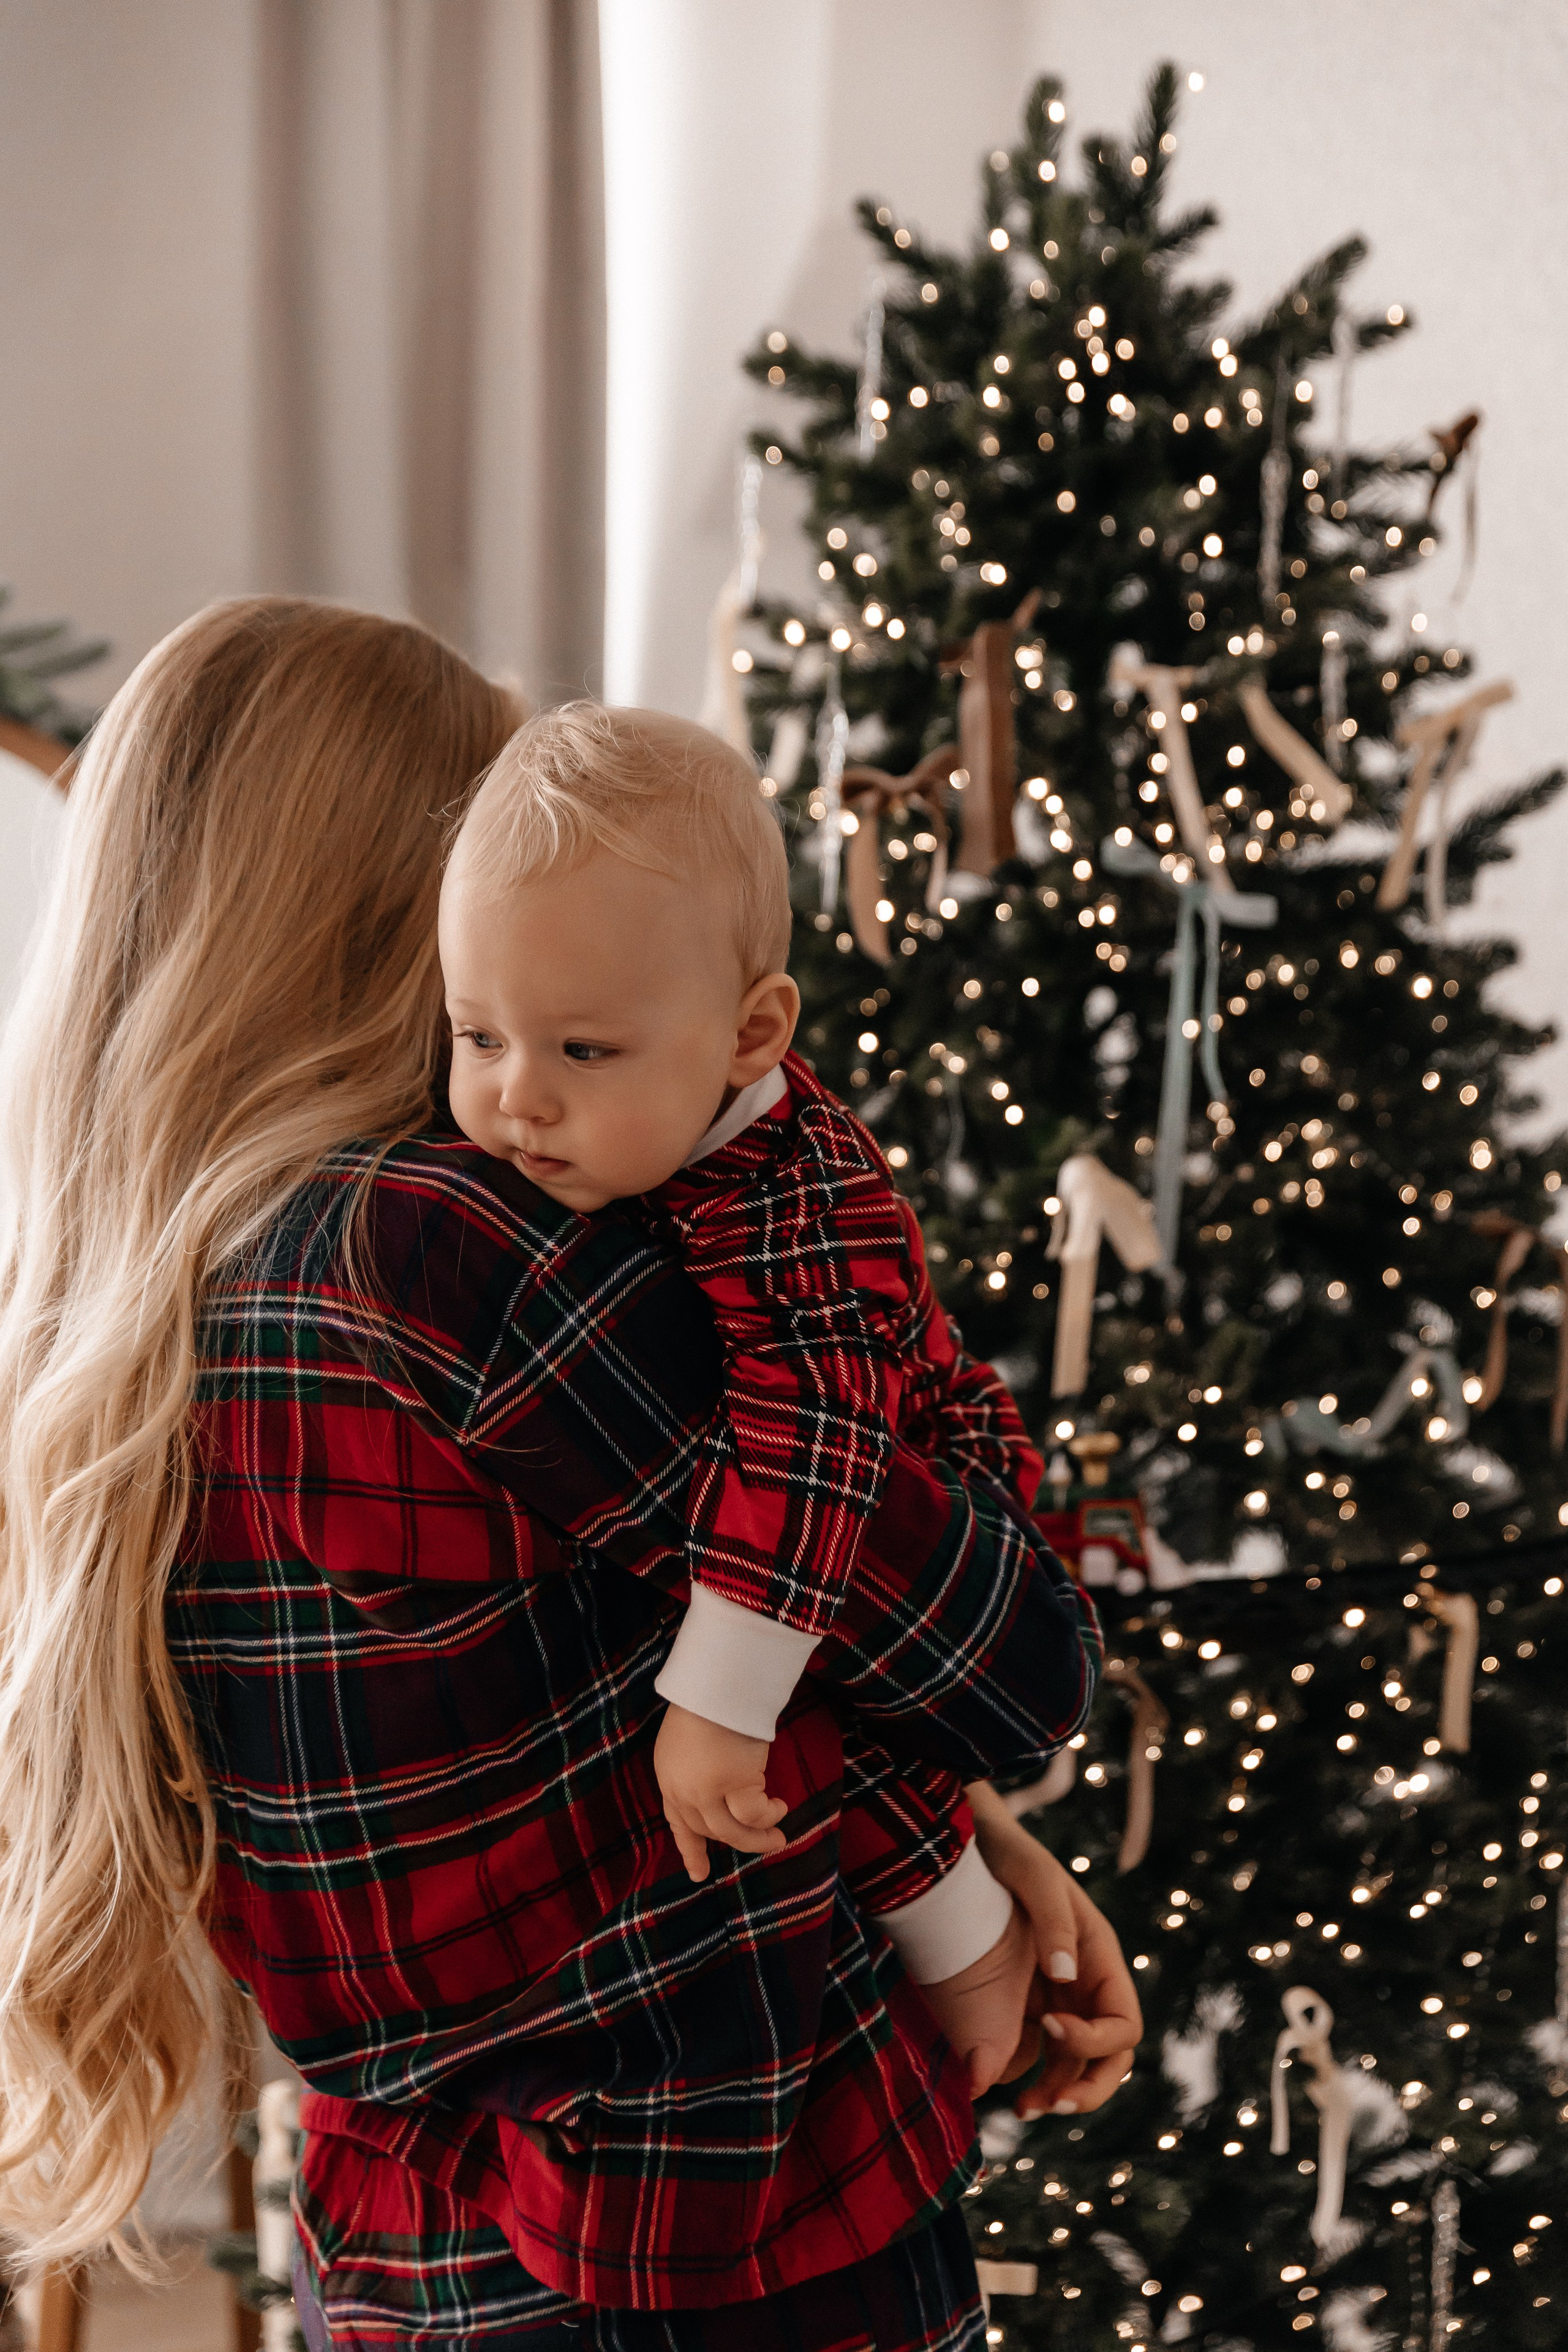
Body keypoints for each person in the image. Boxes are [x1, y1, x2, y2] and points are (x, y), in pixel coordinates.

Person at [0, 599, 1140, 2349]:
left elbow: (610, 1692)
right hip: (719, 2249)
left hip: (407, 2261)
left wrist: (948, 1846)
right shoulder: (436, 1250)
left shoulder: (152, 1294)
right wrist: (959, 1841)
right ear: (404, 919)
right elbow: (1006, 1656)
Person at [439, 700, 1060, 2077]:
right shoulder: (603, 1135)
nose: (516, 1103)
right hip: (780, 1504)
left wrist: (719, 1698)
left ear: (749, 1032)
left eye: (579, 1052)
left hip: (904, 1462)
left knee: (820, 1742)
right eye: (477, 1038)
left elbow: (813, 1449)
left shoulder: (797, 1204)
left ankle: (971, 1947)